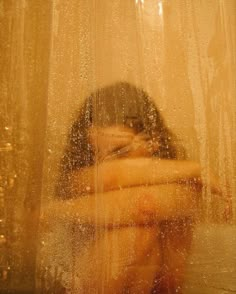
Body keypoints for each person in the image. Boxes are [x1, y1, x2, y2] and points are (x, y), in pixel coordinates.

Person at [42, 82, 222, 293]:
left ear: (153, 144)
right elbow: (106, 177)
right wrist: (194, 169)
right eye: (94, 153)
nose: (105, 163)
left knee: (138, 230)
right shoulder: (80, 179)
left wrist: (53, 211)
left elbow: (143, 206)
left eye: (120, 151)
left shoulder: (183, 187)